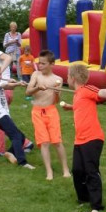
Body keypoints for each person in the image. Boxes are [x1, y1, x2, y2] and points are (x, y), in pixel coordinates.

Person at [60, 63, 106, 212]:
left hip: (93, 138)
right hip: (80, 140)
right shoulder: (77, 95)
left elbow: (100, 92)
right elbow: (83, 106)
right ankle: (83, 199)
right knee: (77, 170)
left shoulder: (85, 89)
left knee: (91, 171)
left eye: (67, 77)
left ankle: (96, 206)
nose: (66, 79)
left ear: (73, 78)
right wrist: (71, 107)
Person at [0, 38, 33, 158]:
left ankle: (0, 150)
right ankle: (26, 143)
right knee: (3, 121)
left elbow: (8, 58)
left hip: (5, 90)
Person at [25, 50, 70, 180]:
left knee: (57, 141)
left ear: (51, 64)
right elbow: (28, 92)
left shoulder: (58, 79)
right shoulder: (36, 75)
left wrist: (56, 92)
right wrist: (37, 88)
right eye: (39, 63)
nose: (40, 66)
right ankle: (49, 171)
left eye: (43, 64)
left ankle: (65, 169)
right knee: (44, 142)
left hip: (51, 111)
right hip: (37, 111)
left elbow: (56, 101)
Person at [0, 64, 35, 169]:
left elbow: (6, 84)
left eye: (0, 74)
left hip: (2, 115)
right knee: (16, 136)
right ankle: (22, 162)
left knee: (20, 137)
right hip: (0, 115)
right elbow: (6, 86)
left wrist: (12, 82)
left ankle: (9, 153)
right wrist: (17, 83)